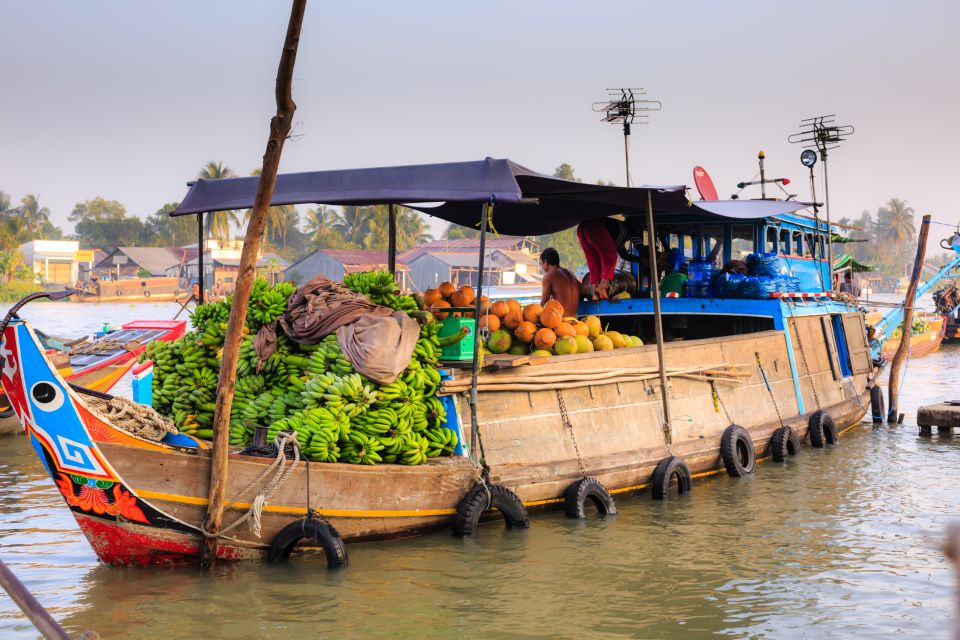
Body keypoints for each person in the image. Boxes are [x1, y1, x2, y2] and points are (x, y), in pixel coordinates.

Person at [576, 219, 618, 300]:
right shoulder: (626, 231)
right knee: (611, 255)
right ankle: (602, 287)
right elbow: (610, 254)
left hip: (581, 229)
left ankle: (595, 291)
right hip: (593, 226)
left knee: (594, 262)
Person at [539, 247, 581, 317]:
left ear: (546, 262)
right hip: (575, 319)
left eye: (541, 264)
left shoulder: (549, 275)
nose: (542, 267)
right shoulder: (570, 273)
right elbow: (582, 291)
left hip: (562, 322)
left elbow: (543, 305)